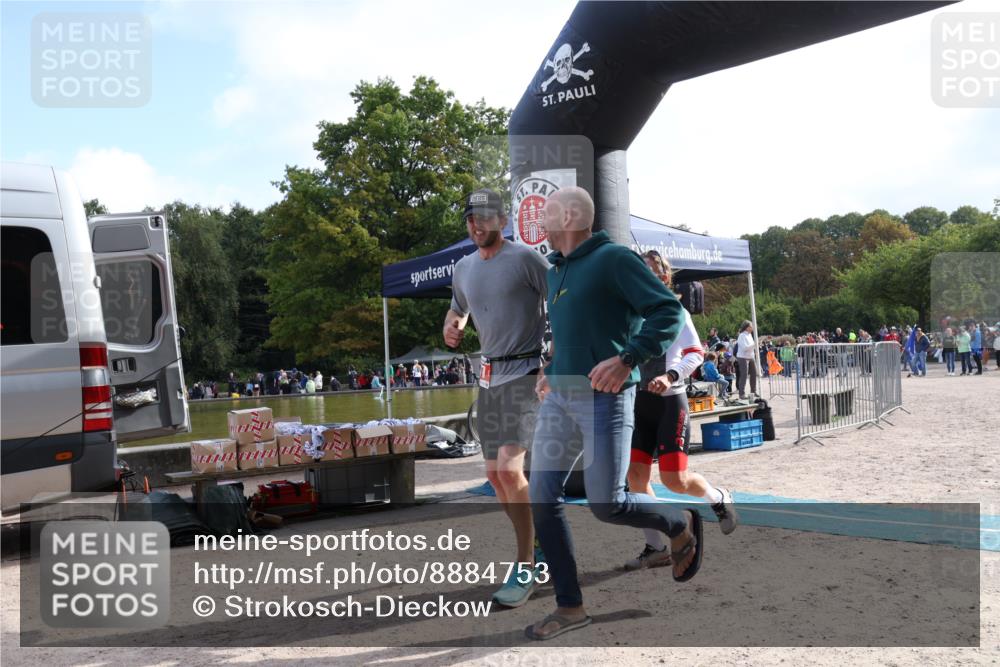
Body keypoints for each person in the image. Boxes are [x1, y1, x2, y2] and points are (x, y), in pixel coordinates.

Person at [527, 187, 701, 641]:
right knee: (541, 496)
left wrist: (628, 358)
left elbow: (668, 310)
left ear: (568, 215)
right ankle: (570, 607)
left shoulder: (614, 259)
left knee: (608, 504)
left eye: (545, 211)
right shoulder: (555, 271)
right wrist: (550, 369)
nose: (538, 218)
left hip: (607, 398)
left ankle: (678, 522)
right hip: (560, 399)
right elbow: (571, 336)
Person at [444, 188, 550, 608]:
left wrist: (553, 360)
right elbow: (458, 310)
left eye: (485, 217)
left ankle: (525, 564)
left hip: (525, 372)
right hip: (487, 377)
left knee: (509, 471)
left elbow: (561, 301)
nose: (477, 225)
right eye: (471, 218)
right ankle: (537, 548)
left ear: (502, 221)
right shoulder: (463, 267)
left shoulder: (526, 259)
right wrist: (451, 326)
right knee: (494, 476)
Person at [621, 252, 736, 569]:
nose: (652, 277)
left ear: (666, 278)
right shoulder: (629, 311)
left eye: (658, 272)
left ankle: (718, 497)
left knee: (674, 480)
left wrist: (670, 375)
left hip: (670, 401)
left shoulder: (675, 311)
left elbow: (697, 353)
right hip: (638, 402)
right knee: (635, 478)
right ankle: (656, 546)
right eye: (645, 272)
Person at [735, 320, 757, 399]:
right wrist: (755, 344)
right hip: (742, 357)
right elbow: (744, 348)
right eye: (751, 326)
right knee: (744, 375)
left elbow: (751, 347)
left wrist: (755, 346)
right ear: (747, 327)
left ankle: (753, 392)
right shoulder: (741, 336)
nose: (752, 328)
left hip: (751, 357)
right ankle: (741, 394)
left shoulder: (750, 335)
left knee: (754, 374)